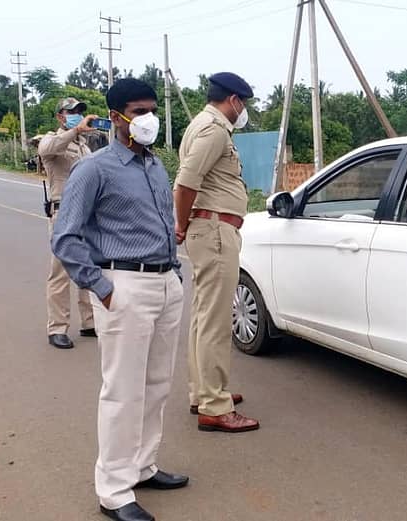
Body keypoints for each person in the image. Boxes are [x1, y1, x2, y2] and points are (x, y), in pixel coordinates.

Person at [52, 79, 188, 521]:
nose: (148, 118)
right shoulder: (95, 169)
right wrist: (101, 287)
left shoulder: (153, 165)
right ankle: (114, 491)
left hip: (165, 283)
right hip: (124, 286)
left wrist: (175, 273)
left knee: (157, 385)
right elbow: (65, 237)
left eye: (152, 110)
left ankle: (143, 466)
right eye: (138, 110)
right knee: (122, 392)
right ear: (115, 117)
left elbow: (164, 222)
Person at [174, 72, 260, 433]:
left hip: (210, 229)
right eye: (245, 105)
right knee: (215, 320)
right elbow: (185, 183)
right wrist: (180, 225)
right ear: (235, 100)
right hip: (215, 231)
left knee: (202, 317)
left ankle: (204, 391)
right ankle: (214, 403)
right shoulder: (214, 130)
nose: (244, 112)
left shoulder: (200, 125)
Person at [38, 97, 98, 349]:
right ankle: (58, 328)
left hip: (88, 214)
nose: (77, 115)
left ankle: (90, 322)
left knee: (88, 267)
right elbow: (47, 150)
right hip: (64, 213)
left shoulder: (85, 147)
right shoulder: (51, 140)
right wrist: (75, 130)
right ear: (60, 117)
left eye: (79, 112)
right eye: (71, 112)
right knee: (61, 272)